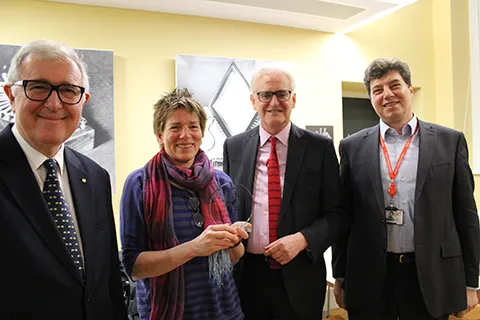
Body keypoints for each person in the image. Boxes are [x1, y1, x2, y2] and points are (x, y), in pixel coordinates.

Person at [332, 57, 480, 319]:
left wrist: (471, 282)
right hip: (370, 274)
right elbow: (344, 216)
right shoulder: (352, 147)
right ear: (371, 98)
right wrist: (340, 276)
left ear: (410, 89)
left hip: (431, 274)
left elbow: (466, 215)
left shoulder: (450, 141)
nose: (387, 95)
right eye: (377, 90)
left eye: (394, 85)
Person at [0, 40, 127, 319]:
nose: (54, 103)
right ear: (11, 94)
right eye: (38, 87)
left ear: (84, 101)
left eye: (69, 90)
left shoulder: (95, 177)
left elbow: (107, 282)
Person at [223, 67, 345, 320]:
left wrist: (302, 239)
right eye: (266, 94)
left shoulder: (319, 148)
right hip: (247, 277)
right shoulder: (233, 146)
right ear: (253, 101)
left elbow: (337, 214)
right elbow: (228, 207)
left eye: (282, 94)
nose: (274, 102)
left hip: (300, 277)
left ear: (294, 99)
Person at [120, 88, 250, 320]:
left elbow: (234, 257)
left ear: (202, 132)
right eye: (175, 127)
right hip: (168, 313)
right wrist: (194, 248)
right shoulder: (139, 184)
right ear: (159, 135)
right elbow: (134, 267)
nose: (185, 135)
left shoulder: (221, 182)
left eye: (193, 126)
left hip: (225, 311)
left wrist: (234, 239)